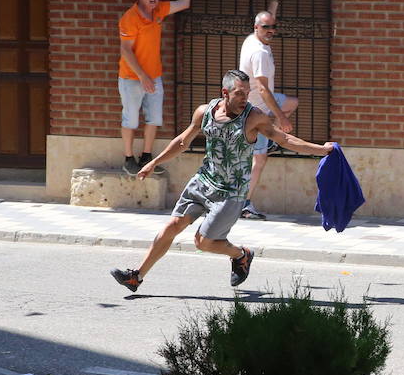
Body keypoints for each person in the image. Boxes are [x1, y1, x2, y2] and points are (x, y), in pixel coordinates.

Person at [109, 69, 337, 294]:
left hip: (231, 192)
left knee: (203, 243)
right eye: (239, 93)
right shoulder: (205, 112)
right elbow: (182, 142)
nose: (244, 98)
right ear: (225, 93)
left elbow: (284, 139)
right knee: (172, 226)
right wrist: (153, 162)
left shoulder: (254, 116)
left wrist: (321, 150)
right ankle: (136, 277)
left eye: (247, 93)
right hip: (203, 182)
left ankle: (240, 254)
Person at [118, 0, 191, 175]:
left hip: (154, 76)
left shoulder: (158, 11)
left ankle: (147, 157)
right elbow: (126, 51)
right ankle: (128, 158)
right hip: (132, 78)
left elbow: (184, 2)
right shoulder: (130, 18)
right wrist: (142, 77)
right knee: (130, 119)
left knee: (154, 118)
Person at [238, 0, 297, 220]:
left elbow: (268, 18)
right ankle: (245, 203)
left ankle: (271, 141)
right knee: (259, 160)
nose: (271, 30)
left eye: (273, 27)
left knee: (291, 102)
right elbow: (262, 89)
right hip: (256, 110)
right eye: (266, 28)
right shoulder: (260, 53)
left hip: (260, 104)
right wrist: (280, 119)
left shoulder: (253, 39)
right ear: (256, 28)